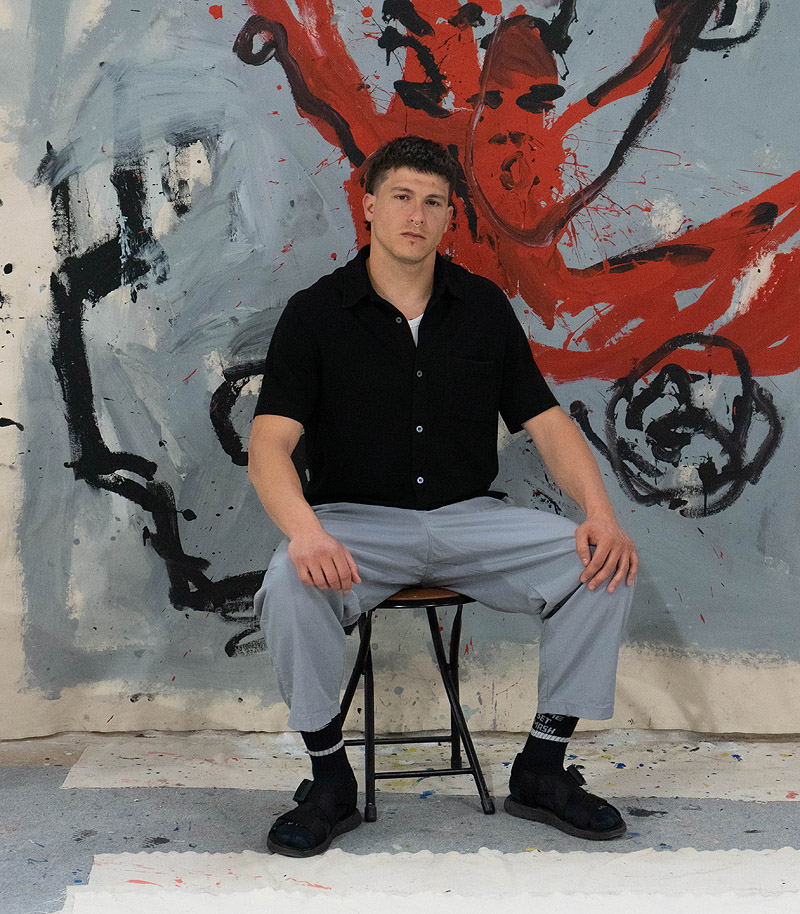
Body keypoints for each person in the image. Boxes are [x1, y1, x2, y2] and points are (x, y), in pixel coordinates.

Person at [248, 135, 638, 858]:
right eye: (401, 197)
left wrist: (602, 515)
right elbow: (268, 445)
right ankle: (329, 781)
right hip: (355, 525)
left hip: (469, 520)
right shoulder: (316, 313)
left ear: (450, 216)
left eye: (433, 202)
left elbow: (548, 424)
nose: (416, 215)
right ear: (369, 206)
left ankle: (542, 768)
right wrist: (306, 532)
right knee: (289, 583)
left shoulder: (482, 306)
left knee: (602, 563)